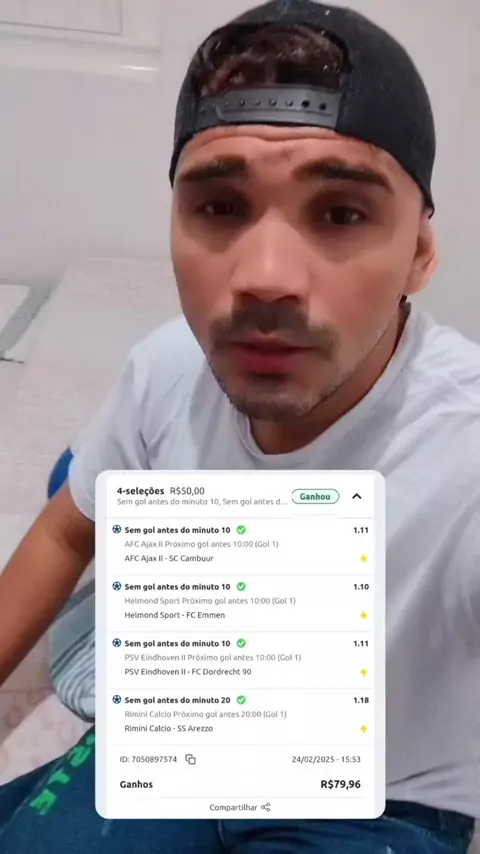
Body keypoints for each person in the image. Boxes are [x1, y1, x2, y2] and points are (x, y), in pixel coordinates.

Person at [0, 0, 478, 850]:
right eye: (221, 207)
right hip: (195, 719)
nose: (264, 278)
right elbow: (68, 532)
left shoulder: (462, 451)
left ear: (420, 252)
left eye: (340, 214)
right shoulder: (166, 369)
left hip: (380, 797)